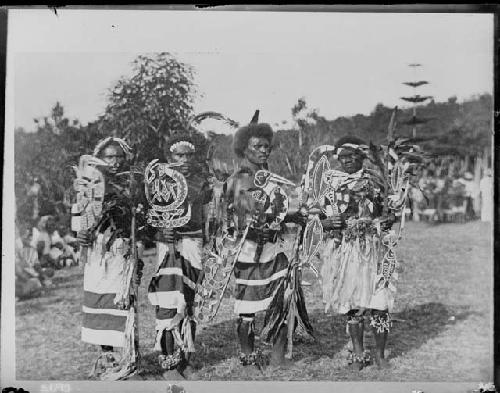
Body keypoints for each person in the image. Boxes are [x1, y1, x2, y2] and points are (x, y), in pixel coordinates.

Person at [224, 115, 308, 369]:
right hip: (249, 251)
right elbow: (234, 218)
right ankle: (248, 356)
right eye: (256, 146)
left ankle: (278, 356)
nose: (262, 151)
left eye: (266, 146)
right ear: (244, 149)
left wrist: (297, 216)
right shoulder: (237, 180)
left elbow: (278, 212)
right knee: (247, 306)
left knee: (283, 299)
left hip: (276, 248)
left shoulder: (272, 179)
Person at [318, 136, 397, 371]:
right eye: (342, 158)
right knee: (352, 303)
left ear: (361, 157)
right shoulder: (331, 184)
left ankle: (381, 355)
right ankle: (359, 354)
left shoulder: (376, 181)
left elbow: (392, 214)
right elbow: (318, 217)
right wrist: (325, 222)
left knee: (379, 303)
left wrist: (380, 223)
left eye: (351, 157)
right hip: (345, 251)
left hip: (375, 249)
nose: (346, 161)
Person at [77, 137, 145, 380]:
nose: (115, 161)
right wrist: (81, 235)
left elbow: (142, 219)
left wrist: (136, 244)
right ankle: (107, 358)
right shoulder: (89, 184)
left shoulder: (133, 185)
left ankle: (128, 360)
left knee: (122, 302)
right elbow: (80, 219)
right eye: (109, 157)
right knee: (100, 300)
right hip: (98, 253)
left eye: (118, 156)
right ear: (100, 158)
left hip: (122, 251)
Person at [147, 134, 213, 380]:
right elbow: (148, 218)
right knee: (168, 300)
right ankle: (168, 365)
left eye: (188, 155)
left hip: (193, 243)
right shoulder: (158, 181)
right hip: (167, 245)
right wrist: (160, 230)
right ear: (169, 157)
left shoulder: (201, 182)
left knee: (188, 300)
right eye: (179, 155)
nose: (184, 159)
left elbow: (208, 217)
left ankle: (185, 360)